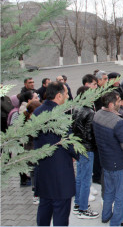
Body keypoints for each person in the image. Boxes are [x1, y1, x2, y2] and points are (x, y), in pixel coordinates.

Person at [34, 81, 78, 226]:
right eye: (65, 94)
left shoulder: (37, 111)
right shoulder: (60, 115)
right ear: (59, 95)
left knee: (44, 207)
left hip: (43, 170)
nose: (67, 97)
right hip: (60, 173)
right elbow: (69, 142)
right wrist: (80, 155)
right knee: (60, 211)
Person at [92, 91, 123, 226]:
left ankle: (106, 216)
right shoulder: (118, 121)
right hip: (118, 163)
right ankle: (116, 222)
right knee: (122, 195)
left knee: (108, 190)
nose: (120, 102)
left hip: (105, 161)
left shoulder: (97, 114)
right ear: (111, 105)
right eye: (117, 101)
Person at [72, 86, 100, 219]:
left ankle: (78, 204)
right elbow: (89, 134)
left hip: (78, 147)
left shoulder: (76, 108)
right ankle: (83, 208)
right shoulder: (89, 112)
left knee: (79, 177)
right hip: (87, 149)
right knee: (85, 179)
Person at [24, 100, 42, 204]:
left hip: (30, 150)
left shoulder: (28, 121)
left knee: (34, 172)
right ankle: (36, 194)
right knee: (35, 172)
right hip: (32, 151)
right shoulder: (31, 123)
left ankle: (36, 192)